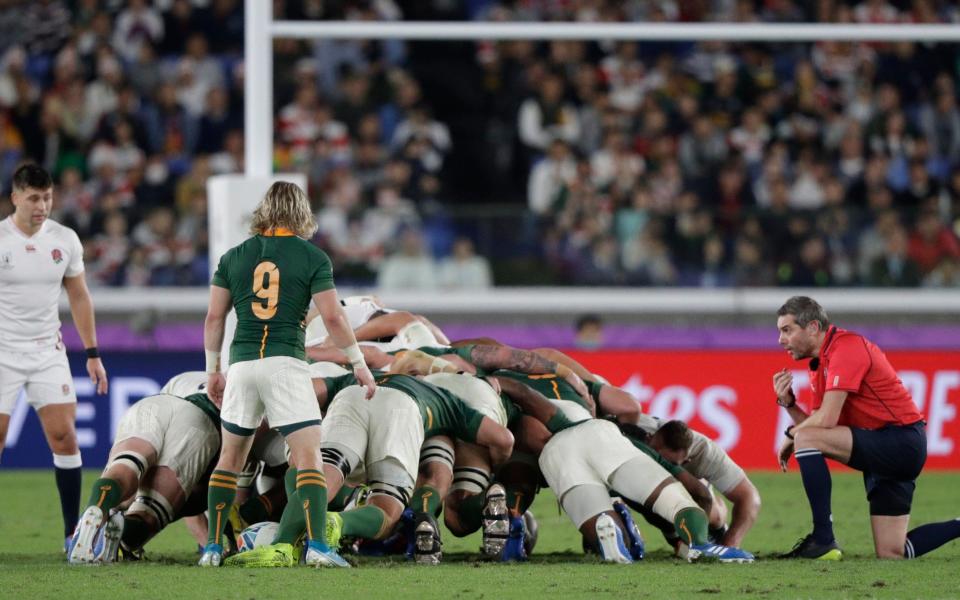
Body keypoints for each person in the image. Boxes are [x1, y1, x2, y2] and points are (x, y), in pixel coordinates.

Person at [198, 181, 375, 568]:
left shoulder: (232, 257)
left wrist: (213, 369)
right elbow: (332, 316)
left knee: (229, 459)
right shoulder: (313, 257)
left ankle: (212, 548)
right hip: (286, 362)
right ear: (301, 213)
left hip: (242, 364)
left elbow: (214, 317)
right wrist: (358, 363)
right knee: (310, 458)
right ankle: (318, 548)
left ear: (264, 211)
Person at [774, 295, 960, 559]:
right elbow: (819, 428)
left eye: (787, 330)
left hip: (900, 441)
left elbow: (822, 423)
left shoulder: (847, 348)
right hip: (885, 446)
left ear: (813, 327)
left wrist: (790, 435)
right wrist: (789, 404)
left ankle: (823, 538)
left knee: (806, 438)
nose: (781, 340)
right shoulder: (819, 363)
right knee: (892, 552)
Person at [0, 163, 108, 550]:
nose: (42, 205)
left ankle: (70, 534)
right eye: (33, 198)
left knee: (64, 437)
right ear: (15, 198)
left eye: (47, 197)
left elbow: (79, 296)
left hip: (48, 351)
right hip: (3, 353)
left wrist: (92, 353)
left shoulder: (65, 240)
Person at [66, 375, 220, 563]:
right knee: (149, 516)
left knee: (127, 465)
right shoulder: (247, 391)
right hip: (200, 425)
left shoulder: (189, 378)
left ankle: (97, 507)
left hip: (153, 405)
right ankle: (120, 534)